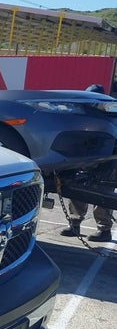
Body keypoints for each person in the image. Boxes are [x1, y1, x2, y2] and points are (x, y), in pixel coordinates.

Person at [59, 84, 114, 242]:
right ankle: (74, 223)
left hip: (106, 160)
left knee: (102, 193)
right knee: (77, 190)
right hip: (84, 158)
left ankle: (104, 229)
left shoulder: (109, 113)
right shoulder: (83, 113)